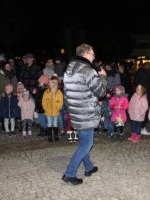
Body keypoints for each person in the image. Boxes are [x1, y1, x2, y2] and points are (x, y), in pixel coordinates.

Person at [62, 43, 107, 185]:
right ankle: (69, 174)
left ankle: (88, 167)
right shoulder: (88, 70)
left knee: (84, 142)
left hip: (75, 112)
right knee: (87, 144)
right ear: (86, 54)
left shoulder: (69, 69)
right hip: (86, 113)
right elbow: (101, 92)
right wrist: (103, 78)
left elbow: (66, 93)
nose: (94, 57)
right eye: (92, 54)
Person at [42, 76, 63, 142]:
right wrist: (45, 108)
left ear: (54, 83)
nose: (49, 84)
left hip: (55, 111)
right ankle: (50, 136)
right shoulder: (46, 92)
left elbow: (60, 101)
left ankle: (56, 136)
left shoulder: (58, 92)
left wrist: (57, 107)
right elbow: (44, 101)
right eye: (49, 82)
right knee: (49, 124)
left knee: (55, 123)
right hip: (48, 111)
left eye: (51, 82)